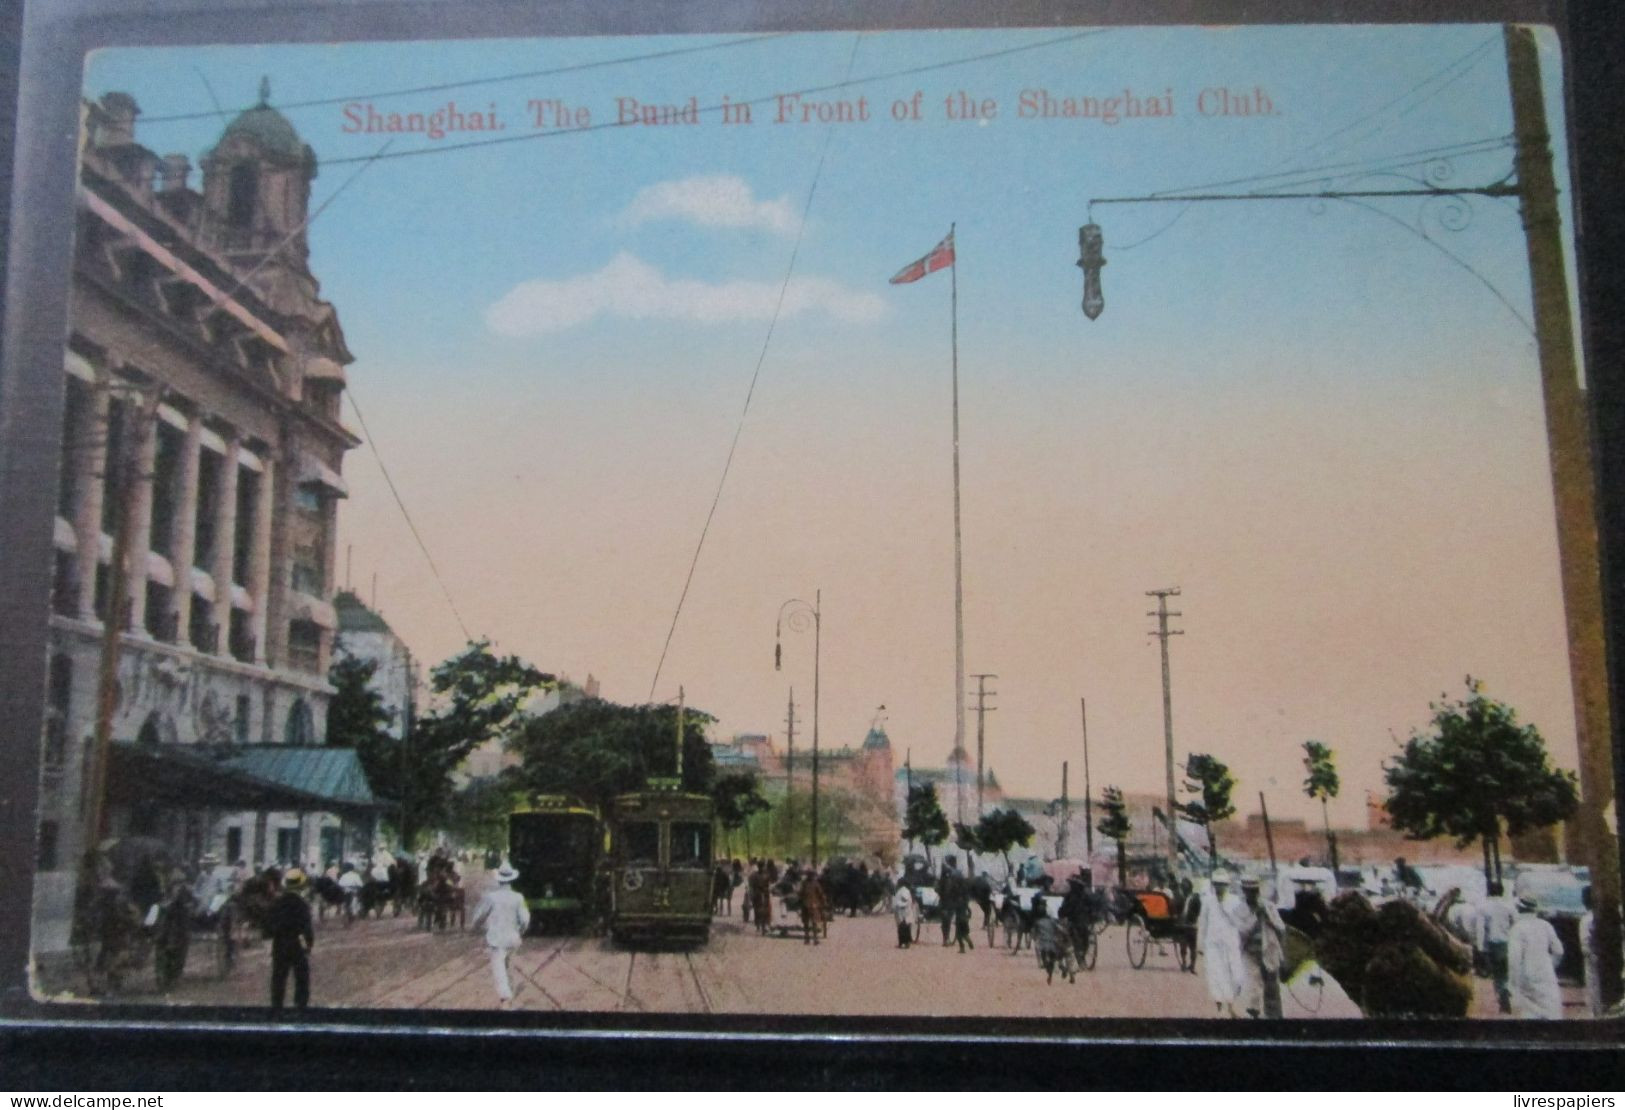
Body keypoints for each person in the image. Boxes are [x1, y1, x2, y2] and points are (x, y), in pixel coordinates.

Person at [470, 863, 530, 1006]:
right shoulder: (519, 897)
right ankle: (511, 995)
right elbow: (525, 919)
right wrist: (520, 931)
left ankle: (505, 998)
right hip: (513, 938)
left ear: (499, 880)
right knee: (509, 967)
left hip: (496, 939)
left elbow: (479, 916)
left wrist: (475, 927)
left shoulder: (491, 897)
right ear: (512, 880)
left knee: (499, 969)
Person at [1506, 894, 1565, 1019]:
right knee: (1552, 1010)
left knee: (1530, 1013)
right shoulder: (1546, 925)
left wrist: (1513, 985)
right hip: (1546, 972)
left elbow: (1514, 959)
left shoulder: (1517, 928)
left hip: (1526, 975)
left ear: (1519, 909)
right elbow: (1559, 951)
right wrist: (1550, 965)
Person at [1197, 871, 1245, 1017]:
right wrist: (1200, 945)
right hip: (1212, 944)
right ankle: (1221, 1007)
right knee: (1215, 975)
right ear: (1213, 885)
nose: (1220, 888)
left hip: (1231, 943)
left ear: (1228, 885)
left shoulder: (1235, 901)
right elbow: (1203, 923)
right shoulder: (1208, 901)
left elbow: (1242, 923)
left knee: (1236, 976)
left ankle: (1231, 1003)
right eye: (1217, 885)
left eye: (1222, 885)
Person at [267, 868, 315, 1013]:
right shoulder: (302, 904)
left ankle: (277, 1006)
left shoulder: (277, 902)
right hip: (296, 943)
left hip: (279, 943)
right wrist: (309, 944)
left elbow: (269, 924)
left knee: (279, 977)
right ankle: (300, 1006)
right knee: (301, 976)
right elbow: (306, 927)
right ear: (301, 886)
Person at [1238, 875, 1287, 1018]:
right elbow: (1241, 932)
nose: (1252, 893)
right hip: (1250, 953)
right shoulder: (1239, 909)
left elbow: (1281, 928)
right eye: (1248, 890)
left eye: (1254, 890)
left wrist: (1267, 915)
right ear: (1243, 891)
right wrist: (1255, 918)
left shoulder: (1269, 906)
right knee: (1253, 987)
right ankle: (1254, 1015)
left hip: (1269, 951)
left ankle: (1275, 1019)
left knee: (1272, 989)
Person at [1479, 881, 1518, 1013]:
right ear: (1502, 891)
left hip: (1492, 944)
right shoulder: (1509, 906)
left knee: (1497, 974)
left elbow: (1481, 929)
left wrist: (1481, 948)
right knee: (1507, 971)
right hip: (1507, 943)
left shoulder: (1484, 907)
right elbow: (1515, 924)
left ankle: (1502, 996)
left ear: (1489, 891)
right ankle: (1506, 990)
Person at [1580, 886, 1603, 1018]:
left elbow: (1585, 945)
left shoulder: (1587, 919)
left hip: (1592, 957)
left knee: (1594, 988)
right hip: (1600, 956)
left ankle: (1596, 1015)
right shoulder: (1599, 916)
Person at [798, 872, 828, 946]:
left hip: (805, 905)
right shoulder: (816, 883)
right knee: (814, 923)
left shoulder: (804, 883)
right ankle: (815, 939)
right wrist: (824, 903)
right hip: (814, 905)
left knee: (806, 923)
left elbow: (800, 893)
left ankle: (807, 939)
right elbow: (821, 894)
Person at [892, 883, 916, 948]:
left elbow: (904, 900)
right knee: (903, 928)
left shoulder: (904, 891)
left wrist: (899, 905)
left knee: (903, 928)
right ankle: (903, 943)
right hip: (903, 911)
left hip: (903, 912)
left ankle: (904, 943)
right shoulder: (903, 890)